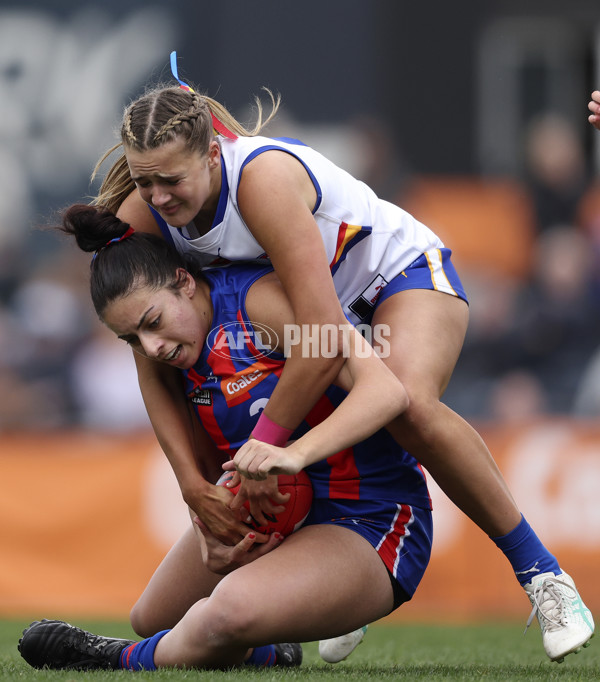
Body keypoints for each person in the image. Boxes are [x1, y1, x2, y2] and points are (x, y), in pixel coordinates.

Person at [83, 53, 594, 662]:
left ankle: (541, 574)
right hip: (311, 311)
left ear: (213, 155)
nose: (159, 197)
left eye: (173, 180)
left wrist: (267, 451)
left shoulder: (261, 181)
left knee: (408, 409)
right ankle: (327, 584)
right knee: (161, 599)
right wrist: (194, 488)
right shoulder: (144, 216)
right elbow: (148, 355)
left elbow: (323, 337)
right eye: (146, 182)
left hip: (391, 281)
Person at [19, 205, 430, 671]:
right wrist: (208, 528)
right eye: (131, 339)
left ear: (186, 282)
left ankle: (115, 659)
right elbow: (219, 468)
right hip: (284, 519)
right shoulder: (178, 355)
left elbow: (386, 391)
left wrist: (291, 456)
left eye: (152, 322)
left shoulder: (259, 305)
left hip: (372, 520)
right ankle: (270, 653)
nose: (151, 348)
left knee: (225, 612)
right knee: (153, 616)